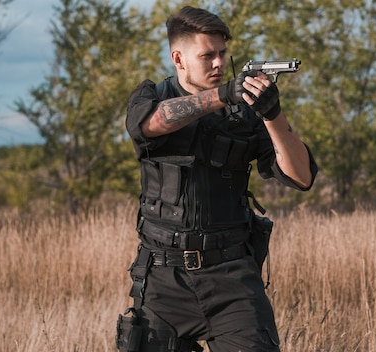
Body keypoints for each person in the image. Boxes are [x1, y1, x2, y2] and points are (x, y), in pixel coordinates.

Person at [115, 6, 318, 352]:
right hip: (162, 281)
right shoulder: (152, 97)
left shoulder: (245, 115)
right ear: (178, 58)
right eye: (207, 55)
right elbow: (150, 124)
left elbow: (301, 177)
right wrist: (223, 95)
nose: (219, 64)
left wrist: (272, 114)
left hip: (232, 280)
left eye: (223, 54)